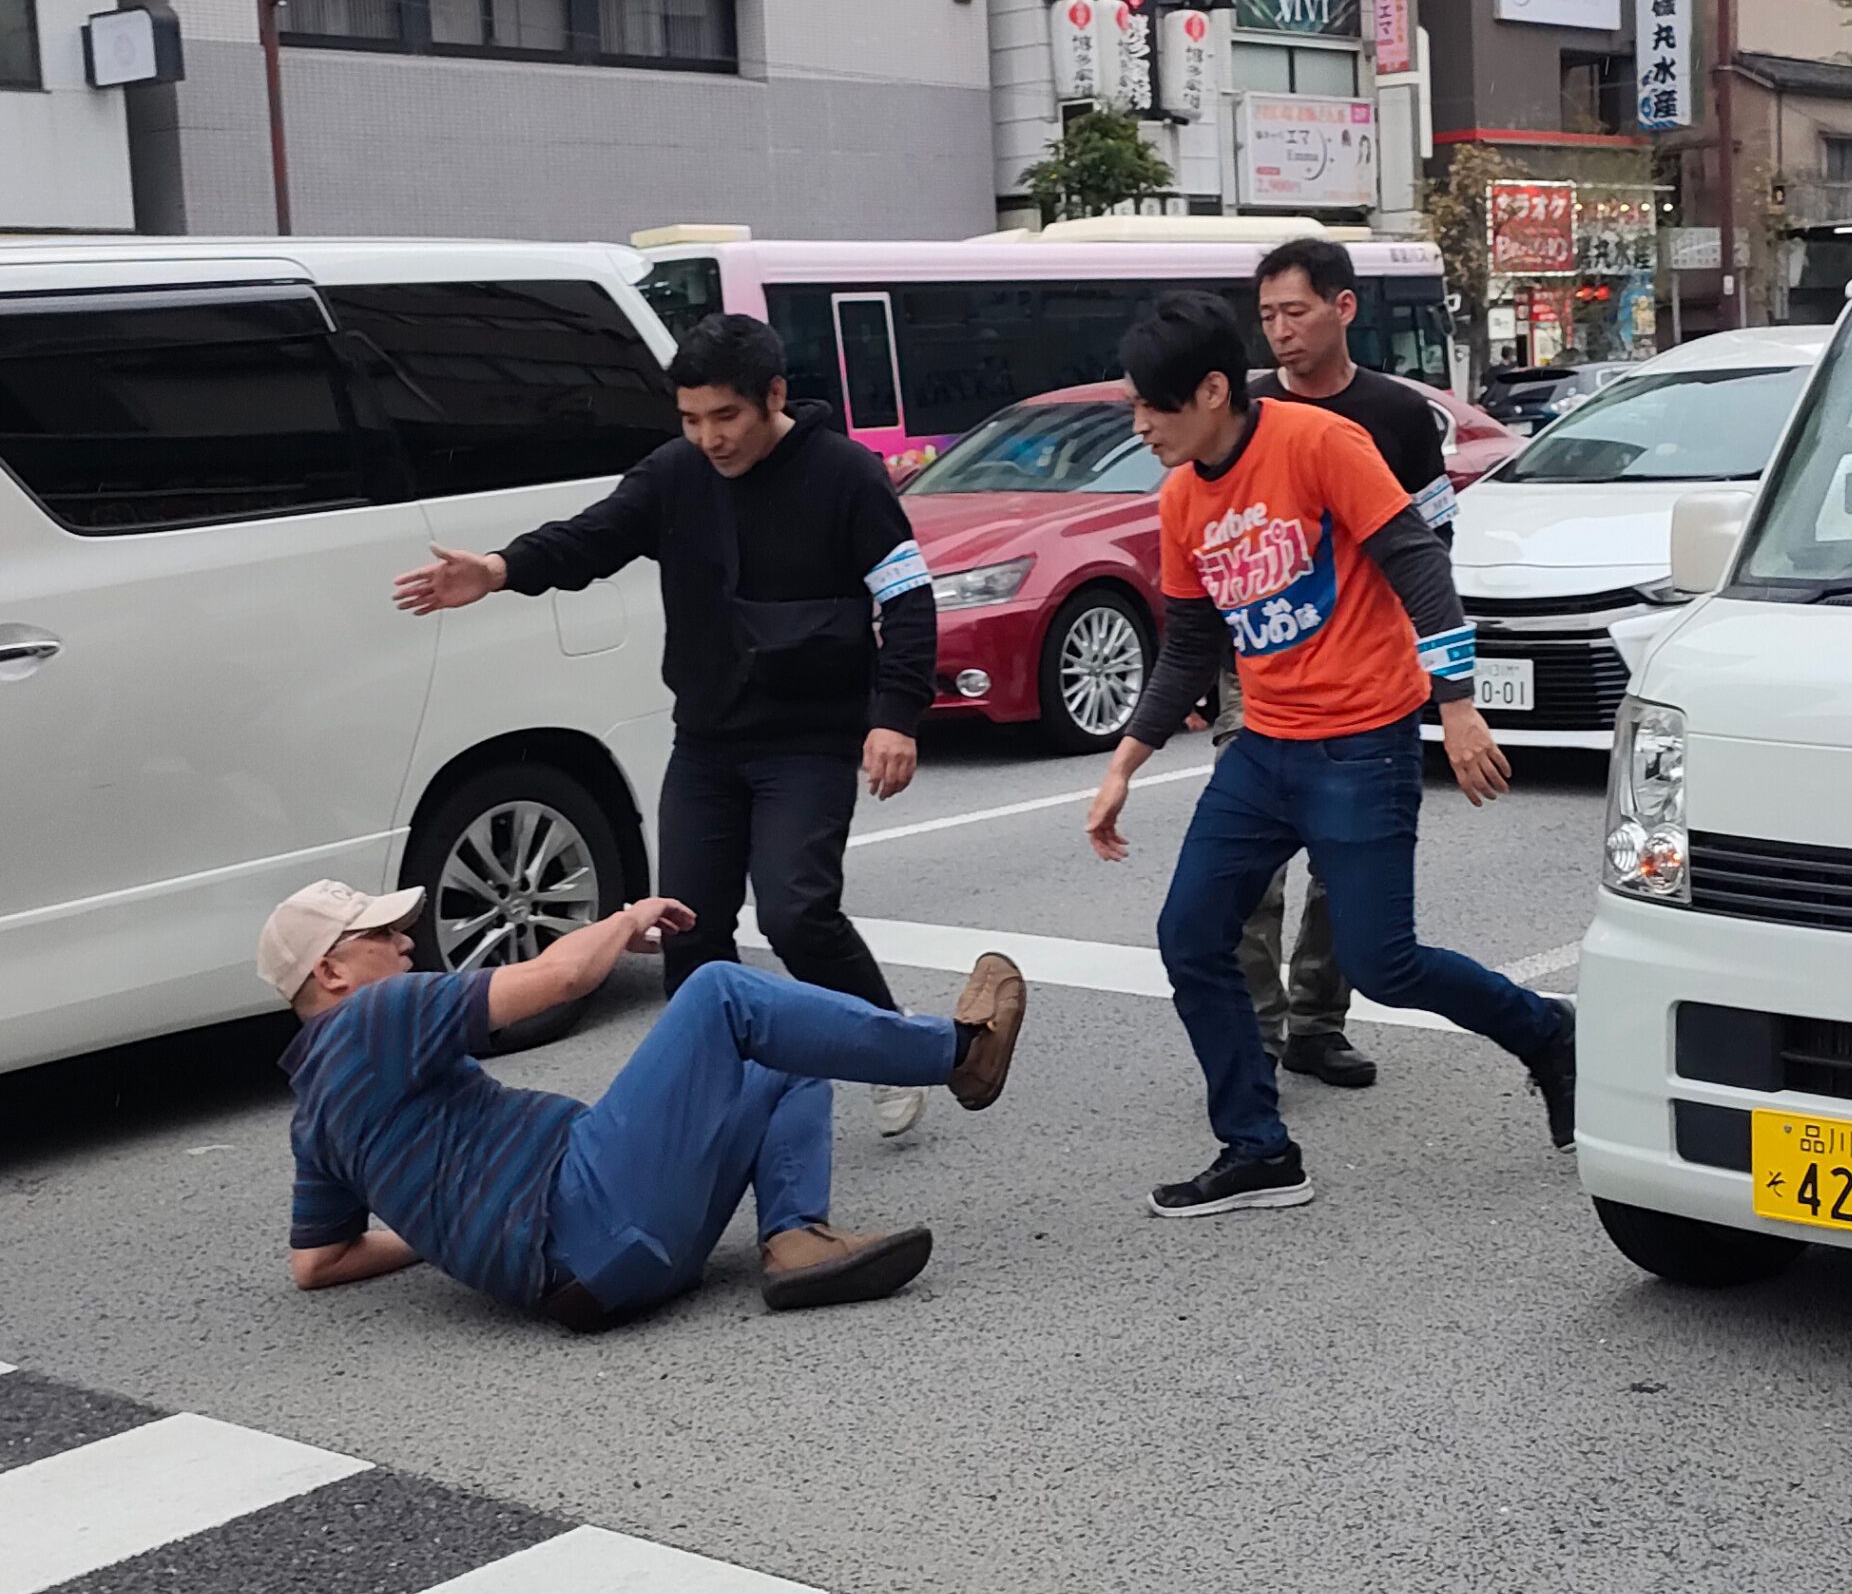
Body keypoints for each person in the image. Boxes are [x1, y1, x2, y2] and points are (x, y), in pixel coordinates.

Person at [394, 313, 942, 1141]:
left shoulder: (846, 476)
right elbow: (592, 539)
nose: (709, 438)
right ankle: (710, 1088)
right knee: (687, 920)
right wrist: (501, 570)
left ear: (773, 398)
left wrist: (894, 716)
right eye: (690, 420)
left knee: (796, 913)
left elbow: (907, 599)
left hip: (809, 738)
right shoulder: (676, 475)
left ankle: (892, 1047)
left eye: (725, 417)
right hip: (709, 740)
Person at [1087, 292, 1575, 1219]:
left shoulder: (1317, 444)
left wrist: (1459, 702)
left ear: (1212, 391)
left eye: (1153, 405)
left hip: (1362, 744)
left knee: (1384, 963)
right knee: (1190, 935)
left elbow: (1415, 560)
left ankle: (1548, 1032)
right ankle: (1258, 1148)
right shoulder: (1181, 496)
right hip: (1264, 750)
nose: (1141, 424)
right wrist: (1125, 762)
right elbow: (1191, 644)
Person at [261, 879, 1025, 1327]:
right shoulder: (372, 1015)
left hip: (597, 1280)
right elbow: (559, 981)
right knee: (721, 994)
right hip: (586, 1213)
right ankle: (959, 1052)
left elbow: (318, 1261)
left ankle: (798, 1243)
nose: (403, 943)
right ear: (331, 972)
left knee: (786, 1058)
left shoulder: (314, 1118)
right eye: (380, 934)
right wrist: (624, 920)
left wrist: (438, 1228)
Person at [1215, 237, 1464, 1090]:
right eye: (1268, 317)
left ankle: (1320, 1022)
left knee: (1341, 865)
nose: (1280, 333)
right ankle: (1254, 1028)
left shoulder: (1395, 415)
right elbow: (1220, 546)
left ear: (1343, 307)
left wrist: (1439, 672)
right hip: (1257, 668)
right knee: (1247, 870)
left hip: (1365, 674)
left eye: (1296, 312)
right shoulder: (1243, 409)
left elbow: (1433, 544)